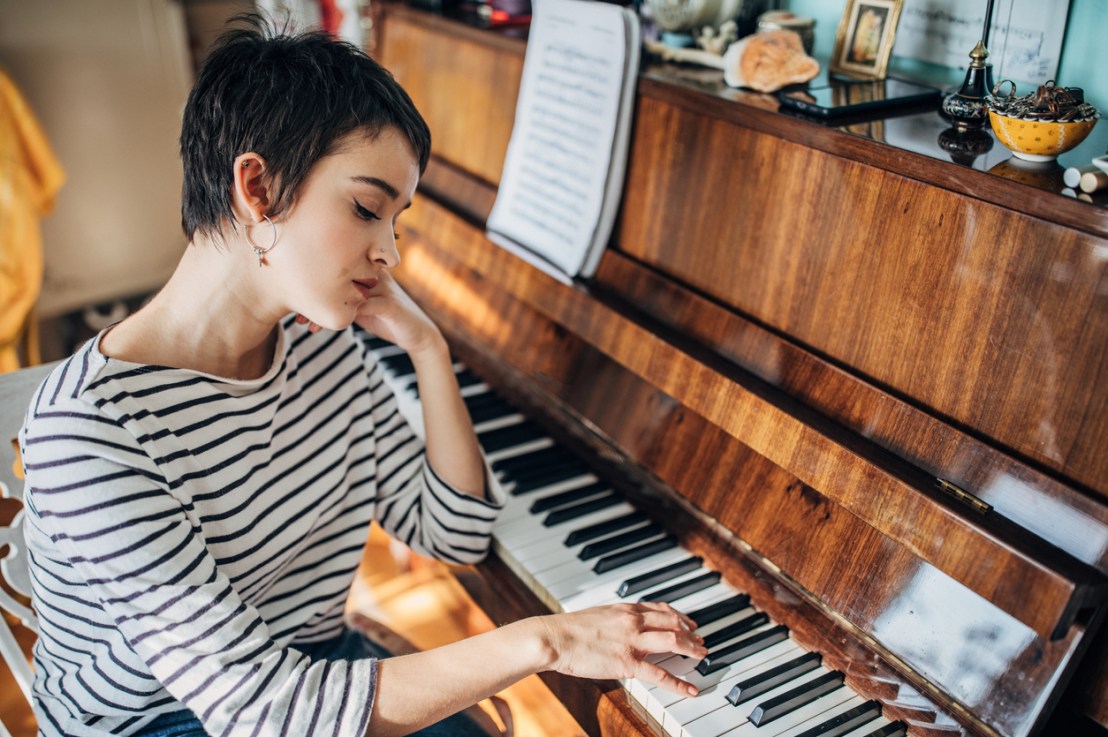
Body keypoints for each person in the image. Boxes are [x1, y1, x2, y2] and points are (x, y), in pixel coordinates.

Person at [18, 15, 707, 737]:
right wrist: (548, 639)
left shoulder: (321, 350)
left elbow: (455, 530)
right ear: (257, 187)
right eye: (366, 208)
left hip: (309, 667)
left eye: (396, 221)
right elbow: (264, 710)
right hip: (169, 722)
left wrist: (428, 347)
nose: (392, 254)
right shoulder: (89, 433)